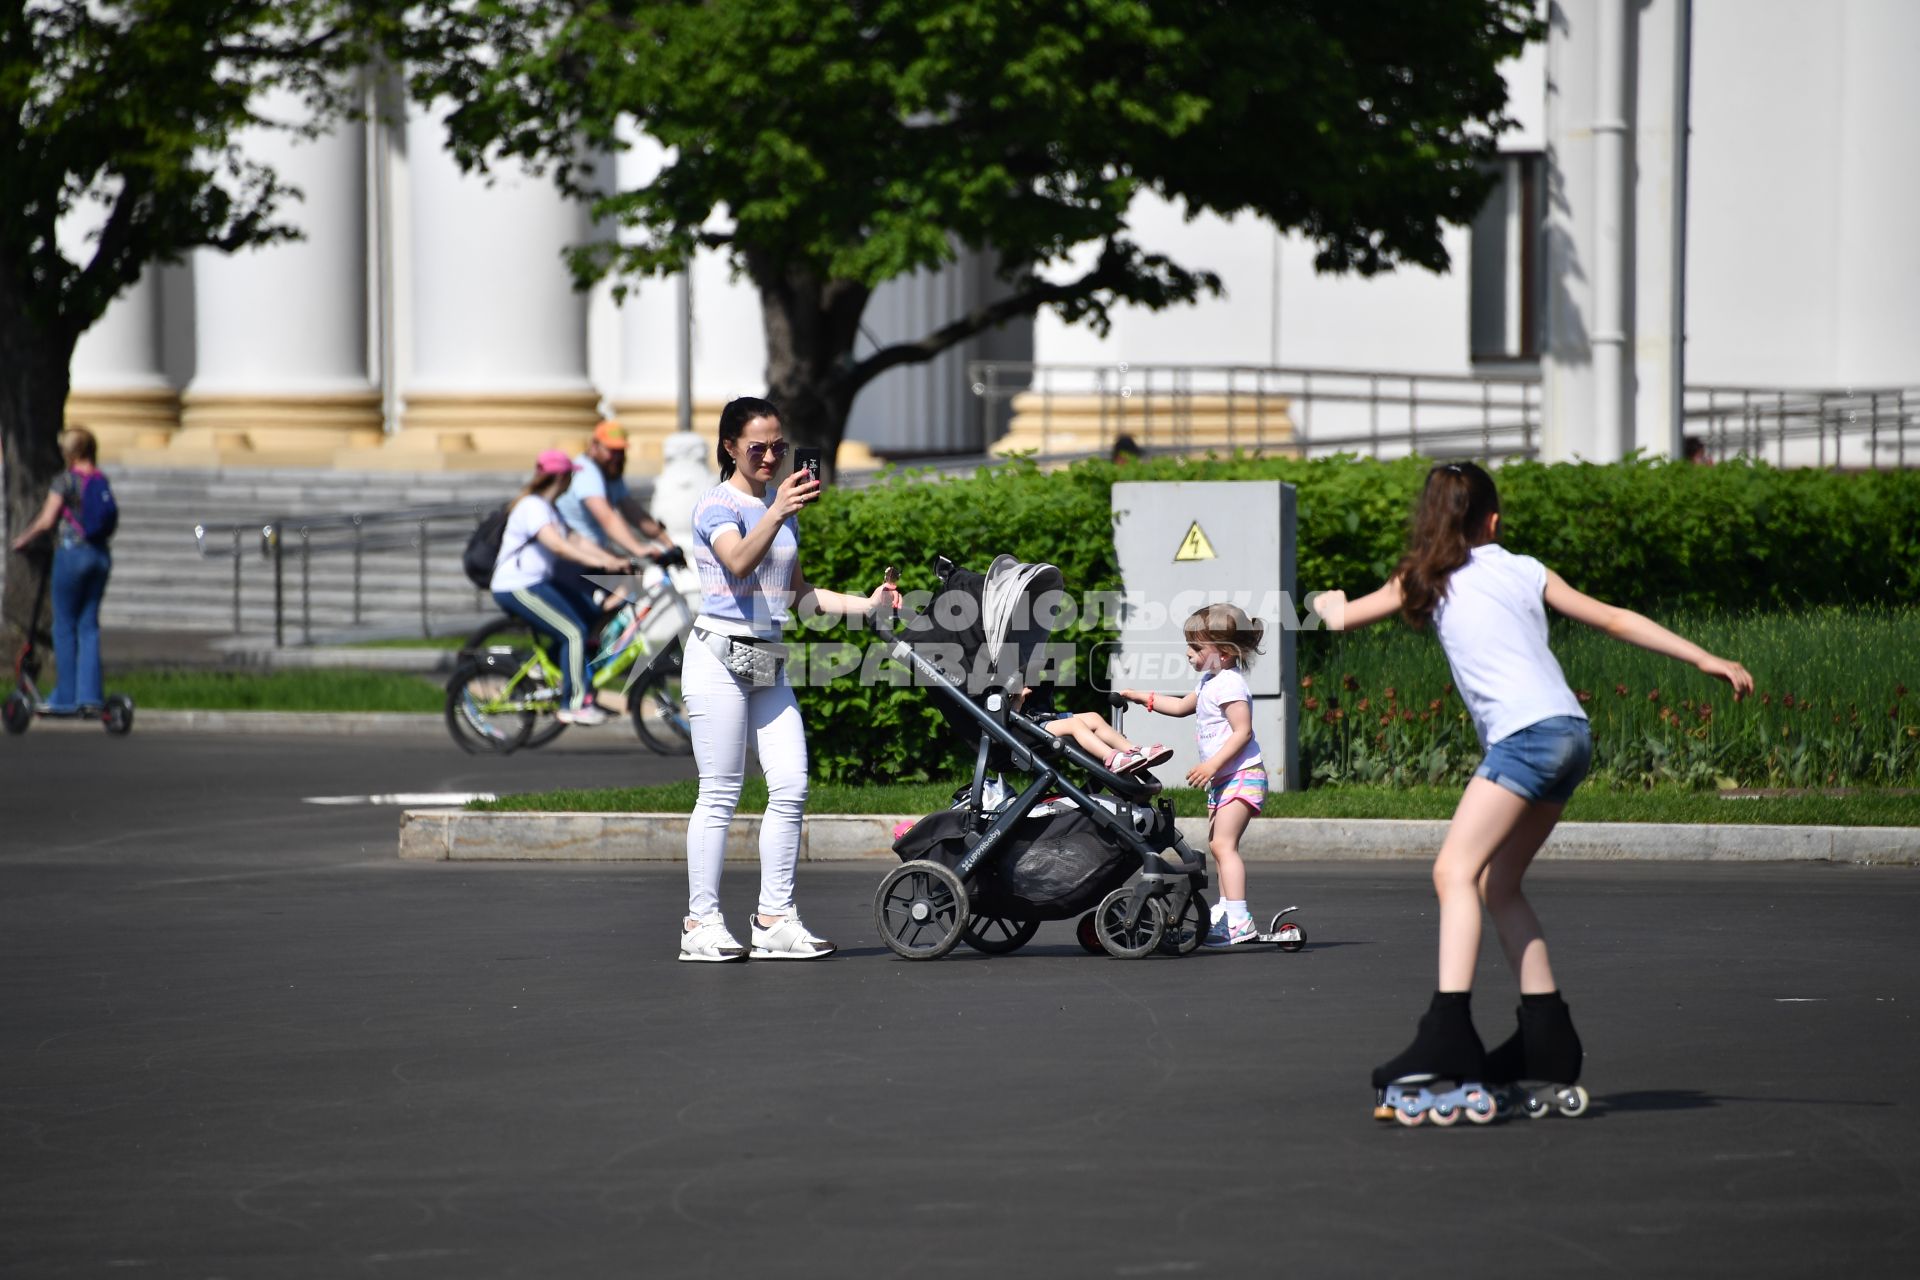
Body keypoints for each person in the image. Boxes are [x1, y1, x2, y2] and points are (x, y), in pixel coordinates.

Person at [1312, 460, 1752, 1123]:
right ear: (1491, 520)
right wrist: (1702, 657)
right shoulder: (1522, 567)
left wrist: (1325, 603)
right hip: (1570, 732)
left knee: (1452, 872)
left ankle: (1448, 1033)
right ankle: (1547, 1043)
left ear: (1433, 520)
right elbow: (1612, 618)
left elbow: (1343, 620)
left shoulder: (1421, 579)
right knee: (1500, 884)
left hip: (1524, 737)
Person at [680, 396, 900, 962]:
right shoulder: (715, 506)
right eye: (759, 447)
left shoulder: (784, 511)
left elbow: (798, 595)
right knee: (722, 791)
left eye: (779, 446)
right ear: (730, 447)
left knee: (792, 785)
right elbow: (736, 563)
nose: (773, 456)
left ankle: (774, 918)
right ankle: (699, 923)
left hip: (766, 656)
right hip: (718, 654)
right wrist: (775, 512)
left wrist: (868, 604)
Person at [1118, 603, 1270, 948]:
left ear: (1227, 654)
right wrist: (1143, 697)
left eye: (1197, 648)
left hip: (1241, 775)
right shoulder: (1210, 681)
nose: (1189, 654)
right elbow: (1183, 706)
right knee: (1220, 847)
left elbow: (1242, 732)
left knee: (1223, 845)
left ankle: (1240, 918)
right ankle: (1229, 909)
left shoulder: (1229, 685)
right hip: (1227, 779)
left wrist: (1211, 766)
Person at [489, 449, 630, 726]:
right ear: (562, 478)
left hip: (537, 583)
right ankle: (574, 704)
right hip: (517, 586)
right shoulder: (532, 506)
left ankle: (558, 673)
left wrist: (613, 560)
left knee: (590, 613)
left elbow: (575, 540)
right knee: (572, 633)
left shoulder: (548, 508)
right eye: (570, 478)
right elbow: (558, 546)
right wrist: (599, 564)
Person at [10, 427, 114, 715]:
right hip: (100, 557)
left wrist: (23, 539)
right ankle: (90, 696)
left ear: (69, 452)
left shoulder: (66, 481)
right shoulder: (100, 480)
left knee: (65, 625)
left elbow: (46, 520)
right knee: (89, 626)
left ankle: (66, 696)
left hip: (72, 556)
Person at [556, 419, 674, 560]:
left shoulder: (610, 473)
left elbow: (634, 512)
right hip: (573, 555)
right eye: (611, 451)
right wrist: (637, 548)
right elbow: (607, 517)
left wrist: (669, 544)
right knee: (627, 576)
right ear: (594, 446)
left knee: (631, 574)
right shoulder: (586, 472)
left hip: (595, 550)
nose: (617, 457)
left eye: (620, 451)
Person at [1015, 686, 1171, 775]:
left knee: (1094, 717)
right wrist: (1017, 699)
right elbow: (1008, 714)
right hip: (1022, 728)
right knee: (1074, 724)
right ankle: (1111, 759)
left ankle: (1134, 751)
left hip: (1037, 717)